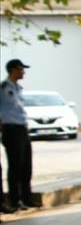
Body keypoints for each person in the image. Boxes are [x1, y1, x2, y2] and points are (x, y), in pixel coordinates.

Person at [1, 59, 35, 210]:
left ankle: (26, 197)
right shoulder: (3, 88)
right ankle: (15, 199)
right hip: (11, 129)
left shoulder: (18, 88)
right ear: (13, 70)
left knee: (26, 165)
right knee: (15, 165)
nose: (24, 72)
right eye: (21, 69)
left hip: (22, 127)